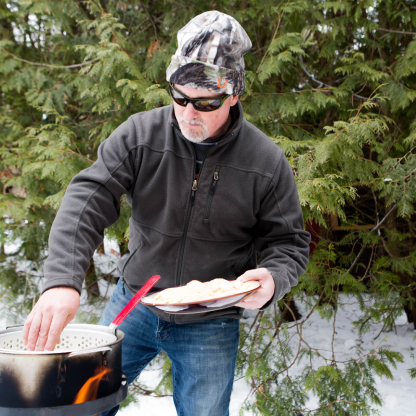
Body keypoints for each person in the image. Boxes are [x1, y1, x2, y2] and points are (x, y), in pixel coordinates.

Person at [23, 11, 310, 416]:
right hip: (136, 299)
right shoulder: (141, 135)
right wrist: (62, 281)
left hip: (210, 320)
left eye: (206, 100)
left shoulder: (265, 161)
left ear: (234, 94)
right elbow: (88, 198)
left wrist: (273, 278)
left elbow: (289, 242)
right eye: (180, 95)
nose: (189, 112)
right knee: (81, 404)